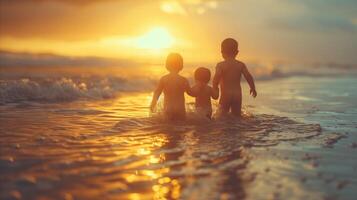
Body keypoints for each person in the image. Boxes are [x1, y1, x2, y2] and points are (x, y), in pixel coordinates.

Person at [212, 38, 257, 117]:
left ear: (222, 52)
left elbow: (217, 77)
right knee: (237, 116)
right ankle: (236, 128)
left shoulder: (220, 65)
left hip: (225, 94)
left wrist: (215, 88)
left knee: (222, 115)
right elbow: (248, 76)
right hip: (237, 94)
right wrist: (252, 88)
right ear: (237, 52)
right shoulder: (240, 64)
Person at [150, 53, 194, 121]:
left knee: (168, 127)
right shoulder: (183, 80)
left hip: (168, 109)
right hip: (180, 109)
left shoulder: (164, 79)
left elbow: (157, 92)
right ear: (181, 65)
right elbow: (190, 92)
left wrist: (153, 103)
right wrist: (199, 89)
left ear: (167, 65)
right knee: (181, 126)